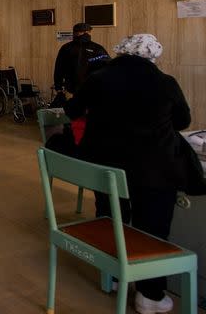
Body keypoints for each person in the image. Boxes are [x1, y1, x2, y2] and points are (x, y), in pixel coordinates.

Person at [65, 34, 190, 314]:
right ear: (152, 56)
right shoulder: (166, 83)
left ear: (121, 52)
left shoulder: (98, 79)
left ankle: (115, 275)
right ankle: (150, 294)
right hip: (152, 171)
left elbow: (72, 110)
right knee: (153, 227)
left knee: (110, 215)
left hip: (104, 167)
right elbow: (183, 121)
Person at [54, 22, 110, 95]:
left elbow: (107, 67)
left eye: (87, 31)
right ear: (75, 33)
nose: (86, 33)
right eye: (82, 32)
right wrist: (58, 87)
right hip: (71, 89)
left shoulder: (97, 48)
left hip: (92, 89)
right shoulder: (66, 48)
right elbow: (59, 68)